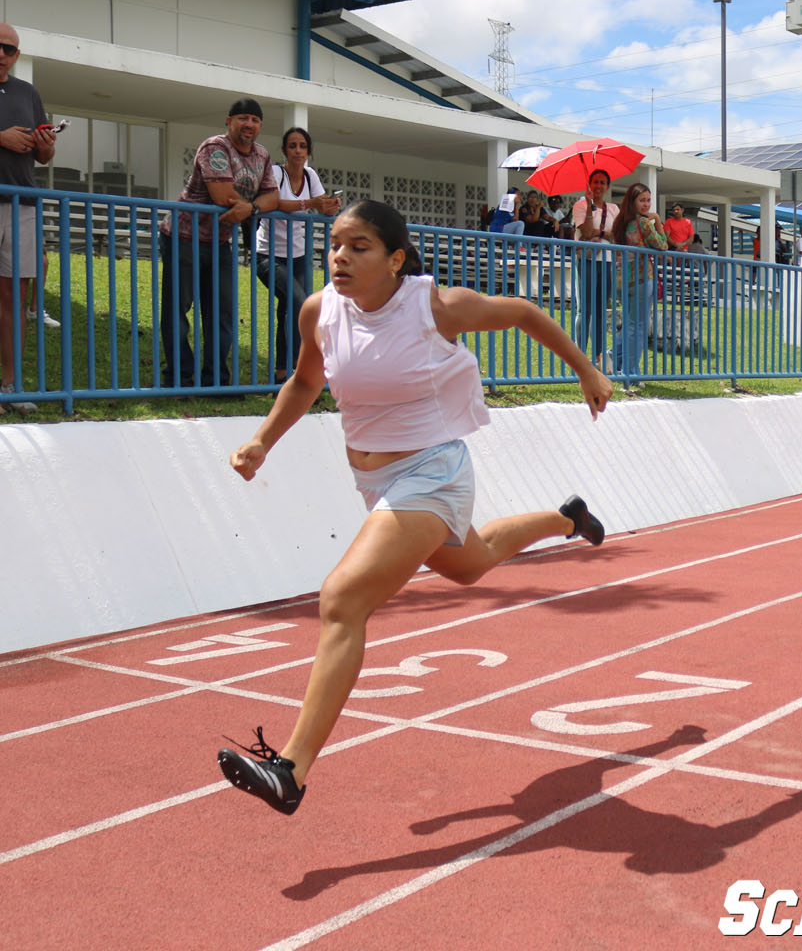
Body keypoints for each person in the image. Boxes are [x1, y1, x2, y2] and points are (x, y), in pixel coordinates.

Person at [218, 200, 614, 814]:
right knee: (471, 562)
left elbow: (525, 313)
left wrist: (586, 371)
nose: (341, 257)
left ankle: (290, 769)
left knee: (343, 598)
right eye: (335, 245)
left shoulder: (434, 306)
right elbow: (305, 381)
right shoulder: (320, 310)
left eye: (359, 247)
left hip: (433, 471)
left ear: (395, 258)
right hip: (375, 482)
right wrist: (262, 440)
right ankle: (567, 518)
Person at [161, 97, 279, 388]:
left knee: (222, 312)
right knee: (178, 309)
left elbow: (272, 197)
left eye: (254, 120)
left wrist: (251, 209)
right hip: (184, 237)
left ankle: (216, 379)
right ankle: (180, 377)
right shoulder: (215, 147)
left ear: (260, 126)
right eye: (242, 118)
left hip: (220, 241)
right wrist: (253, 205)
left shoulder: (262, 155)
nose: (248, 124)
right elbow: (222, 196)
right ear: (229, 122)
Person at [254, 127, 341, 382]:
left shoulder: (310, 174)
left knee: (289, 310)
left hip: (299, 254)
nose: (298, 151)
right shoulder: (275, 173)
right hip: (269, 254)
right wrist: (310, 204)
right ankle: (301, 368)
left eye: (303, 146)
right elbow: (273, 203)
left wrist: (330, 207)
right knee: (302, 303)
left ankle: (283, 374)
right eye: (292, 146)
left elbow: (322, 206)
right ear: (284, 150)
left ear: (309, 151)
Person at [0, 22, 56, 415]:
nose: (3, 53)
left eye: (10, 49)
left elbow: (43, 156)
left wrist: (46, 144)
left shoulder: (27, 92)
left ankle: (11, 386)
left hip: (21, 204)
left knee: (15, 298)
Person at [609, 182, 668, 379]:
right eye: (642, 200)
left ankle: (614, 358)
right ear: (632, 202)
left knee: (630, 324)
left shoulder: (620, 221)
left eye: (648, 200)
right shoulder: (643, 222)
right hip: (642, 279)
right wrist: (658, 220)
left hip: (621, 281)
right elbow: (662, 244)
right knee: (639, 326)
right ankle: (630, 371)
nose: (646, 204)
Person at [571, 169, 619, 367]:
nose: (598, 186)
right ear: (589, 185)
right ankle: (579, 357)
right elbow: (588, 231)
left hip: (606, 261)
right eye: (595, 182)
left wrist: (604, 234)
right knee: (585, 310)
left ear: (607, 186)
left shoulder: (614, 209)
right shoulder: (580, 206)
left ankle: (598, 356)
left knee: (600, 310)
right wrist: (590, 207)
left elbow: (617, 235)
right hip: (587, 261)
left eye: (602, 182)